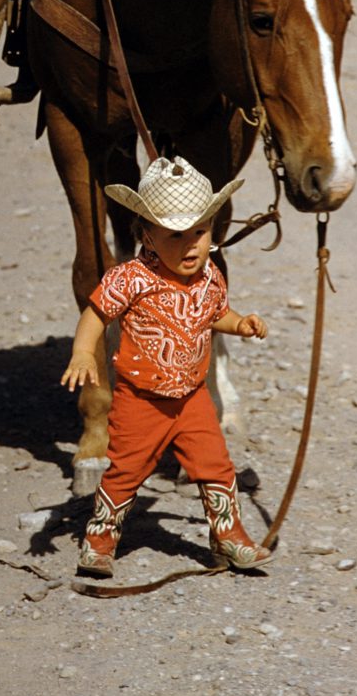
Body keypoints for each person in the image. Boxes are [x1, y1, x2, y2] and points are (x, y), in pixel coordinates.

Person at [61, 156, 271, 577]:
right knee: (126, 471)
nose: (191, 244)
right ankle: (100, 543)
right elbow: (97, 313)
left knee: (216, 464)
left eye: (200, 231)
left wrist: (239, 324)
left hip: (192, 398)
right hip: (141, 401)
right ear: (146, 234)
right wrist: (85, 352)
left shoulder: (210, 277)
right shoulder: (131, 278)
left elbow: (215, 315)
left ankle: (228, 537)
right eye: (176, 234)